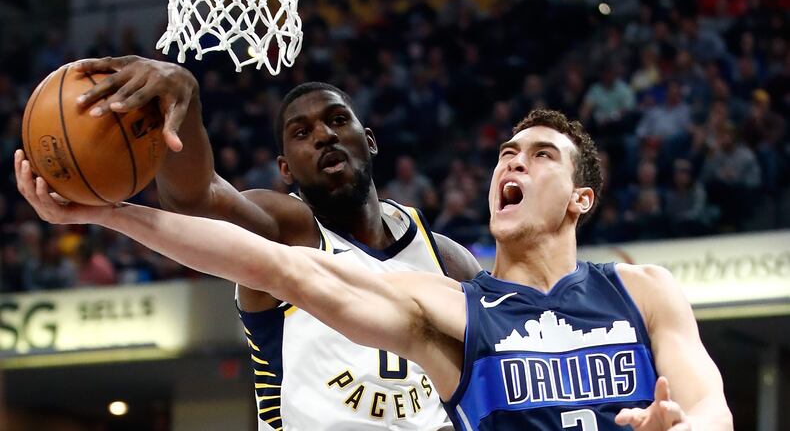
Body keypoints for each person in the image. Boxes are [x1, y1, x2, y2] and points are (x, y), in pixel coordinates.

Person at [15, 108, 732, 430]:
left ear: (581, 198)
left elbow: (713, 408)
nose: (513, 164)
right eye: (506, 154)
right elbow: (277, 265)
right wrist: (110, 215)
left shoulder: (642, 291)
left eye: (540, 155)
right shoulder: (451, 309)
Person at [69, 56, 481, 430]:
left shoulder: (447, 259)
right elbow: (195, 200)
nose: (324, 135)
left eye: (338, 120)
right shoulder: (285, 233)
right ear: (285, 169)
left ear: (369, 140)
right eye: (302, 132)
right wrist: (183, 97)